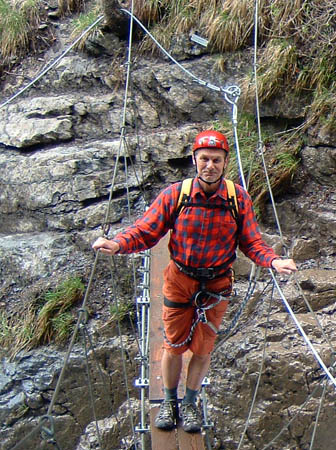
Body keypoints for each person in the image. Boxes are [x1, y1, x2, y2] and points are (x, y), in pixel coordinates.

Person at [93, 130, 297, 433]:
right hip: (181, 279)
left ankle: (189, 403)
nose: (210, 165)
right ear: (194, 160)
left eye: (216, 160)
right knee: (174, 345)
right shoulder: (176, 195)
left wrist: (273, 260)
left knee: (202, 349)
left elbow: (251, 242)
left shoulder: (237, 199)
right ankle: (169, 401)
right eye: (204, 159)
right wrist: (118, 244)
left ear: (225, 162)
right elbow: (146, 231)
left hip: (216, 285)